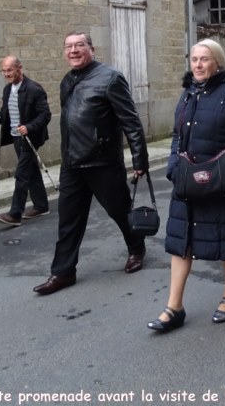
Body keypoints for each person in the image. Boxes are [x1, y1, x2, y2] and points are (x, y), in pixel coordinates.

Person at [148, 39, 225, 332]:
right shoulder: (188, 93)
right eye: (194, 59)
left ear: (218, 62)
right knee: (181, 242)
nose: (198, 65)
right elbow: (177, 135)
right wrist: (174, 168)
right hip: (188, 182)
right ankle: (174, 307)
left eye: (205, 59)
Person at [33, 32, 149, 296]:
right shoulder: (67, 80)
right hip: (72, 163)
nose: (73, 50)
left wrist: (139, 159)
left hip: (103, 162)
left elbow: (131, 121)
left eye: (79, 45)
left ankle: (136, 247)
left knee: (120, 211)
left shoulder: (110, 78)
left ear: (92, 49)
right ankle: (63, 272)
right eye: (69, 46)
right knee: (68, 220)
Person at [0, 56, 51, 226]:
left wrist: (29, 127)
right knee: (31, 170)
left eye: (10, 70)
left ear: (19, 68)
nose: (6, 74)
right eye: (4, 71)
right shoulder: (8, 90)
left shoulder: (34, 89)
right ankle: (41, 206)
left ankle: (15, 214)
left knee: (22, 173)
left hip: (30, 138)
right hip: (16, 137)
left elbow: (45, 115)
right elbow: (5, 113)